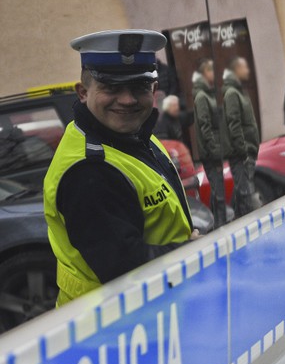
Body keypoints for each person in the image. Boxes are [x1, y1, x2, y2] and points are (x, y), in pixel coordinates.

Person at [43, 30, 197, 307]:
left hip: (160, 306)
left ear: (153, 90)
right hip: (115, 322)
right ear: (83, 92)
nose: (127, 100)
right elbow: (125, 269)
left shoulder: (134, 135)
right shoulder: (89, 171)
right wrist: (194, 251)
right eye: (111, 87)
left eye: (139, 87)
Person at [222, 56, 261, 216]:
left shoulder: (238, 91)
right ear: (237, 69)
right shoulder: (232, 93)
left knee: (243, 193)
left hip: (246, 152)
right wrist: (243, 151)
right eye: (245, 67)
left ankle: (239, 220)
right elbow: (234, 125)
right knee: (246, 195)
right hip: (241, 155)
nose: (248, 70)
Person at [192, 58, 228, 227]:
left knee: (219, 189)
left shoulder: (207, 93)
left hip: (215, 149)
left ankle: (218, 223)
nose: (214, 73)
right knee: (218, 191)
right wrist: (215, 151)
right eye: (211, 70)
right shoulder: (202, 96)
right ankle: (220, 225)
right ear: (205, 73)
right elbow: (204, 126)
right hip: (211, 152)